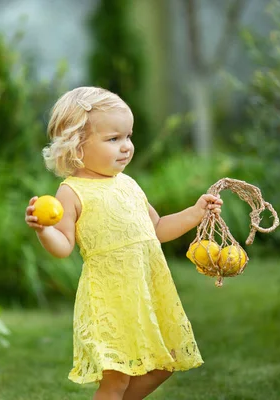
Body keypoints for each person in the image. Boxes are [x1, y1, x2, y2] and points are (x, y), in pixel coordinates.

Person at [25, 86, 223, 400]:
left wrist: (195, 212)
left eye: (128, 136)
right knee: (116, 380)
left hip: (146, 293)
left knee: (163, 365)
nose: (126, 147)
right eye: (113, 139)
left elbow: (156, 228)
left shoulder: (128, 184)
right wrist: (43, 230)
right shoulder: (72, 192)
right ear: (77, 145)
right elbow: (62, 245)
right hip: (110, 300)